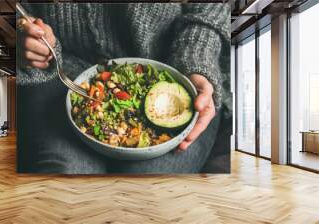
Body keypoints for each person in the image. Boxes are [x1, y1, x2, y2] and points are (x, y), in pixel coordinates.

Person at [16, 3, 231, 174]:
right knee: (66, 173)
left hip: (180, 74)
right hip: (68, 78)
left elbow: (212, 6)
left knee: (146, 187)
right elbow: (21, 13)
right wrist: (23, 34)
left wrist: (196, 58)